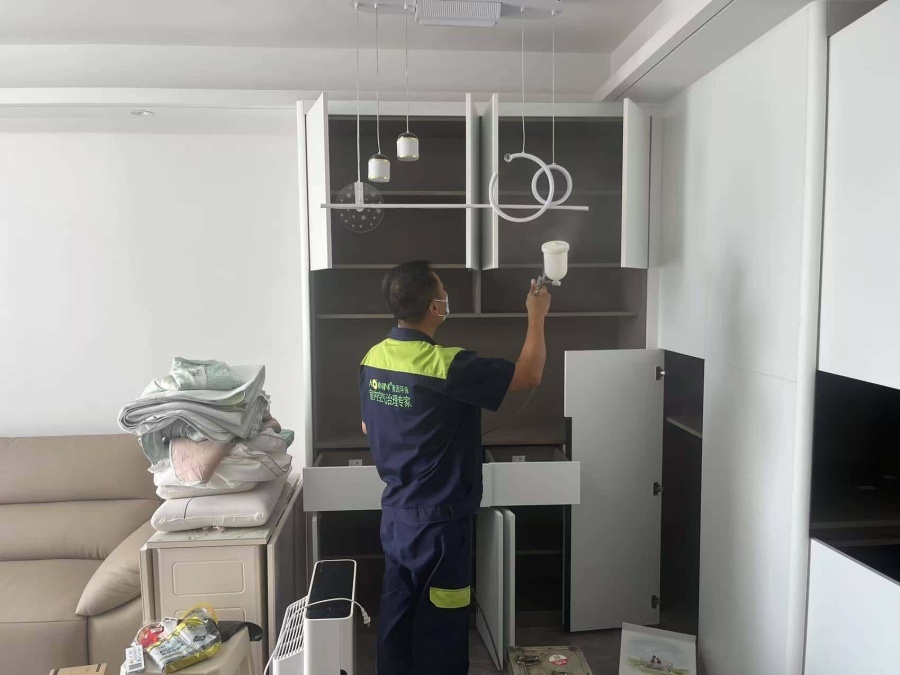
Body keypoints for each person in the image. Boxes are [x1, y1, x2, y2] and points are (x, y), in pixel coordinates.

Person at [359, 260, 551, 675]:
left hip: (396, 518)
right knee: (441, 625)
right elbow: (530, 374)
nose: (447, 297)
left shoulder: (374, 357)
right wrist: (536, 315)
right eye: (443, 291)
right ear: (434, 307)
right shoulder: (448, 365)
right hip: (440, 527)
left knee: (397, 619)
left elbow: (367, 424)